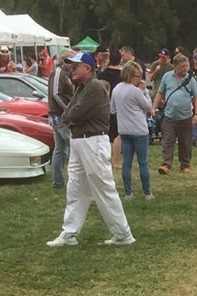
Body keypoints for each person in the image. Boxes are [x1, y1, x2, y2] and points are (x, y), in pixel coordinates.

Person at [46, 52, 133, 248]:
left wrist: (71, 116)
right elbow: (68, 113)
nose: (72, 68)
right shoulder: (81, 87)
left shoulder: (93, 87)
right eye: (71, 65)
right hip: (80, 141)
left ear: (88, 68)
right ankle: (69, 233)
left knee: (103, 187)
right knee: (75, 188)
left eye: (76, 65)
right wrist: (71, 116)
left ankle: (123, 233)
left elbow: (72, 114)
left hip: (92, 142)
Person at [152, 53, 197, 174]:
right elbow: (160, 93)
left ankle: (185, 165)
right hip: (169, 116)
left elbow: (196, 98)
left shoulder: (191, 80)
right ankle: (166, 164)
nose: (186, 69)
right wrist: (154, 107)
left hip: (186, 117)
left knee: (185, 142)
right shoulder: (167, 77)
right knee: (168, 140)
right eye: (183, 66)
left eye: (187, 66)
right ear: (175, 66)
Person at [111, 60, 153, 199]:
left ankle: (128, 193)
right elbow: (148, 107)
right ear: (130, 75)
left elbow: (112, 109)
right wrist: (145, 91)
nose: (139, 79)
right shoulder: (136, 91)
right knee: (143, 163)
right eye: (137, 76)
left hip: (124, 130)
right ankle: (147, 192)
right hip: (139, 130)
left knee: (126, 163)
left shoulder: (116, 89)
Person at [48, 49, 76, 189]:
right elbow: (56, 94)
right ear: (63, 60)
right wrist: (67, 109)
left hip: (58, 115)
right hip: (60, 115)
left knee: (60, 149)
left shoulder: (62, 73)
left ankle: (58, 181)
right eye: (70, 61)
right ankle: (72, 179)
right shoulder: (59, 72)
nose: (72, 64)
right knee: (72, 146)